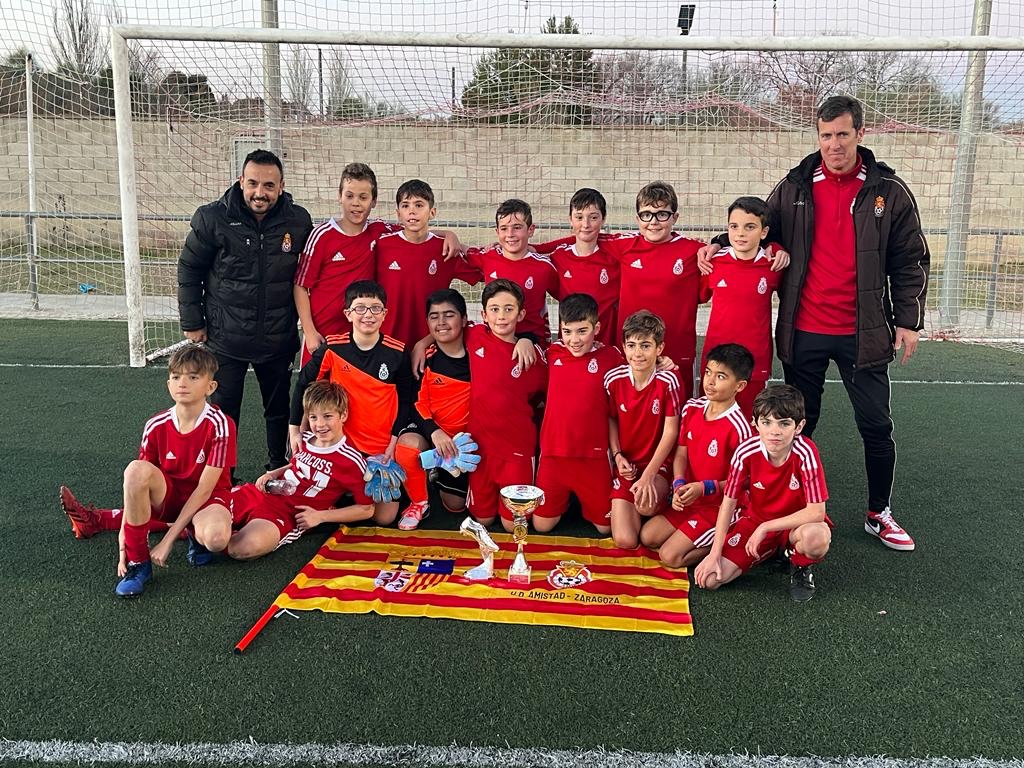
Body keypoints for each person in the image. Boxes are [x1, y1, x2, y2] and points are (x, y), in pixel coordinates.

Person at [702, 95, 930, 551]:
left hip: (863, 333)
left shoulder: (888, 190)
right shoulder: (796, 185)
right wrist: (717, 242)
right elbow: (756, 225)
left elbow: (910, 258)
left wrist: (908, 320)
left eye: (843, 134)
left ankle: (879, 513)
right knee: (795, 426)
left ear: (861, 133)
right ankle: (786, 510)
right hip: (804, 329)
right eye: (826, 135)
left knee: (875, 425)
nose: (834, 145)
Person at [60, 344, 236, 598]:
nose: (182, 383)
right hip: (169, 497)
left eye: (193, 377)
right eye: (176, 376)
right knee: (135, 470)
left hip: (207, 500)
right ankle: (139, 564)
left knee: (217, 539)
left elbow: (204, 489)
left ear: (210, 387)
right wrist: (125, 540)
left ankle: (194, 535)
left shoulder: (221, 425)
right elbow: (136, 485)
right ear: (168, 384)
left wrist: (167, 541)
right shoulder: (155, 424)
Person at [178, 149, 312, 472]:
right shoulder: (213, 218)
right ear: (240, 181)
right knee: (224, 414)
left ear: (281, 186)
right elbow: (189, 269)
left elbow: (309, 276)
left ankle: (279, 469)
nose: (259, 193)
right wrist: (193, 321)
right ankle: (223, 477)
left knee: (279, 410)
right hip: (227, 338)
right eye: (253, 183)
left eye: (269, 185)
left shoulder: (298, 221)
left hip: (277, 337)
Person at [190, 380, 375, 562]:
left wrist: (321, 516)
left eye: (327, 416)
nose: (320, 424)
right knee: (213, 534)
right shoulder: (306, 438)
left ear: (343, 415)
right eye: (313, 417)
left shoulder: (352, 461)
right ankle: (199, 530)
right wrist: (273, 473)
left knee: (242, 548)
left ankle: (207, 531)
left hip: (286, 514)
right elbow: (295, 466)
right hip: (261, 493)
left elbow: (367, 509)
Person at [288, 280, 416, 528]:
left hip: (379, 449)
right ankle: (340, 493)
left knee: (384, 517)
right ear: (348, 313)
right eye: (360, 308)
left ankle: (350, 494)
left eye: (375, 308)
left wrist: (393, 442)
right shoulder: (333, 347)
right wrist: (294, 429)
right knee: (314, 497)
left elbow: (406, 401)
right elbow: (304, 383)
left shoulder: (398, 352)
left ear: (384, 314)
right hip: (340, 445)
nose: (368, 314)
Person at [694, 385, 832, 602]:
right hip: (755, 520)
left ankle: (799, 563)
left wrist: (766, 528)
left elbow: (816, 512)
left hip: (794, 525)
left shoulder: (806, 452)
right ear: (755, 423)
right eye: (766, 422)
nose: (774, 431)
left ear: (799, 426)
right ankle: (774, 551)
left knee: (817, 538)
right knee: (710, 579)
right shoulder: (745, 452)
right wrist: (714, 553)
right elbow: (728, 503)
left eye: (784, 423)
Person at [640, 343, 754, 569]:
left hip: (718, 508)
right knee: (648, 536)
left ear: (739, 386)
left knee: (669, 556)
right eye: (708, 372)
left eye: (721, 376)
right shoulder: (692, 407)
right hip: (690, 500)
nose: (710, 381)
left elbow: (744, 480)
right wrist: (679, 483)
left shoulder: (740, 428)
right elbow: (681, 453)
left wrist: (705, 488)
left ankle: (731, 536)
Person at [533, 293, 623, 535]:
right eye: (567, 331)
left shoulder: (611, 357)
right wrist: (524, 342)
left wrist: (662, 362)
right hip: (554, 454)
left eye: (582, 331)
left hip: (592, 457)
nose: (574, 340)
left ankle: (582, 500)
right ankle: (566, 499)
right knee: (541, 526)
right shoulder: (551, 354)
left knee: (605, 529)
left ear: (597, 328)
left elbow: (637, 368)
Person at [465, 279, 548, 532]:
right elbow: (445, 327)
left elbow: (551, 390)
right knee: (483, 519)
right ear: (483, 315)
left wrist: (527, 340)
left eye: (509, 309)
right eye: (494, 309)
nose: (501, 316)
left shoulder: (533, 357)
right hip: (480, 448)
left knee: (513, 525)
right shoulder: (474, 336)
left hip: (516, 449)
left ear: (521, 314)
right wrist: (422, 344)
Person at [608, 182, 704, 399]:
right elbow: (584, 238)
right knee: (632, 411)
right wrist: (534, 248)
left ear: (675, 217)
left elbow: (732, 253)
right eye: (646, 215)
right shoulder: (625, 245)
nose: (653, 222)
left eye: (662, 214)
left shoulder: (694, 251)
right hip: (634, 353)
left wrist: (716, 243)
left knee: (677, 412)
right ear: (637, 218)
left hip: (676, 352)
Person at [394, 289, 473, 530]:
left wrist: (527, 340)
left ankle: (436, 472)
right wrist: (434, 432)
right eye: (434, 316)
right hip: (434, 433)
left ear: (464, 319)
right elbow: (416, 404)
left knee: (455, 505)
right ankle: (419, 502)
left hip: (467, 441)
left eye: (449, 315)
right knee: (407, 446)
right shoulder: (424, 359)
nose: (441, 322)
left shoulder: (479, 352)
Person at [699, 197, 782, 419]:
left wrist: (779, 248)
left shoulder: (774, 265)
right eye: (734, 226)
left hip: (755, 358)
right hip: (716, 358)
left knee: (751, 421)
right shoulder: (712, 262)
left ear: (764, 233)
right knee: (712, 419)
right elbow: (698, 296)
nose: (740, 233)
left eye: (750, 227)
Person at [604, 310, 681, 549]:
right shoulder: (613, 379)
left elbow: (671, 432)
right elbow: (611, 419)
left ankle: (664, 501)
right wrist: (618, 456)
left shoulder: (669, 381)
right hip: (627, 465)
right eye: (632, 345)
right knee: (625, 540)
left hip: (657, 466)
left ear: (659, 348)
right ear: (624, 347)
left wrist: (648, 475)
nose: (638, 353)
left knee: (646, 506)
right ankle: (633, 506)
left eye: (645, 346)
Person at [373, 179, 480, 348]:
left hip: (431, 343)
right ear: (398, 213)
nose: (412, 211)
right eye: (405, 205)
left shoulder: (445, 248)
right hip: (388, 340)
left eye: (419, 205)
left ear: (432, 212)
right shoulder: (381, 245)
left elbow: (483, 273)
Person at [534, 188, 621, 347]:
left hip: (607, 348)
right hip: (572, 348)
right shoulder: (558, 257)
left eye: (593, 217)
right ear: (570, 219)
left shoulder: (615, 258)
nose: (586, 224)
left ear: (603, 219)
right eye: (579, 217)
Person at [464, 199, 558, 345]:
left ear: (531, 229)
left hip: (533, 343)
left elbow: (565, 295)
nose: (510, 234)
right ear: (497, 232)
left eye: (517, 227)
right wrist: (449, 235)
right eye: (504, 228)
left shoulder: (544, 266)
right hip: (496, 341)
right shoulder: (487, 257)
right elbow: (461, 250)